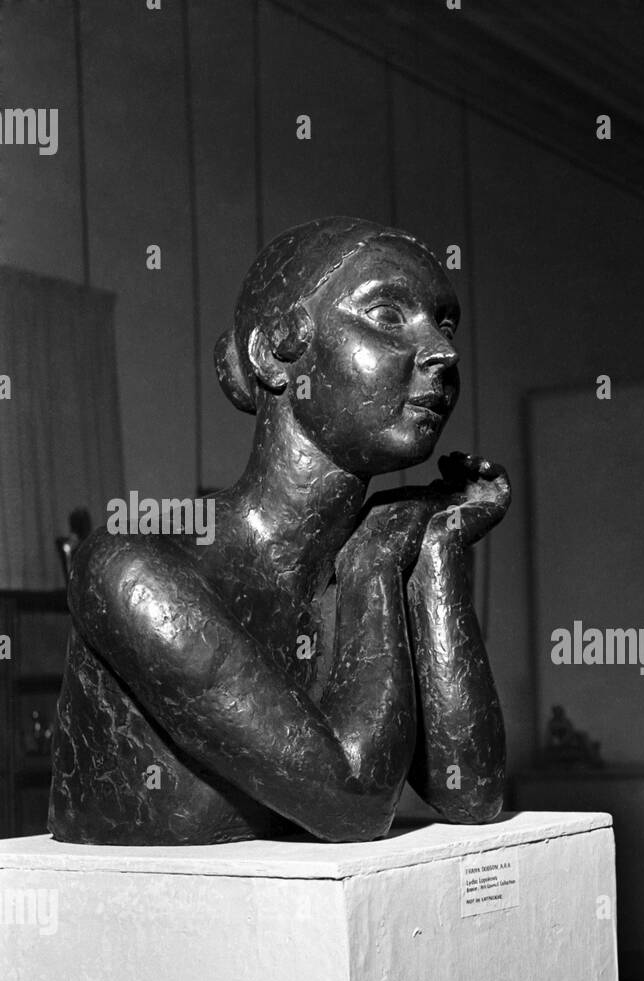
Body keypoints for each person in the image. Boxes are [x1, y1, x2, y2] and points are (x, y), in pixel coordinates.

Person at [50, 217, 507, 845]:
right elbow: (355, 801)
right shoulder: (134, 564)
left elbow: (471, 792)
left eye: (444, 323)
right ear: (273, 354)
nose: (442, 352)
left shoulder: (385, 539)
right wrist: (374, 563)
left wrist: (438, 542)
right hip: (156, 932)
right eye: (387, 315)